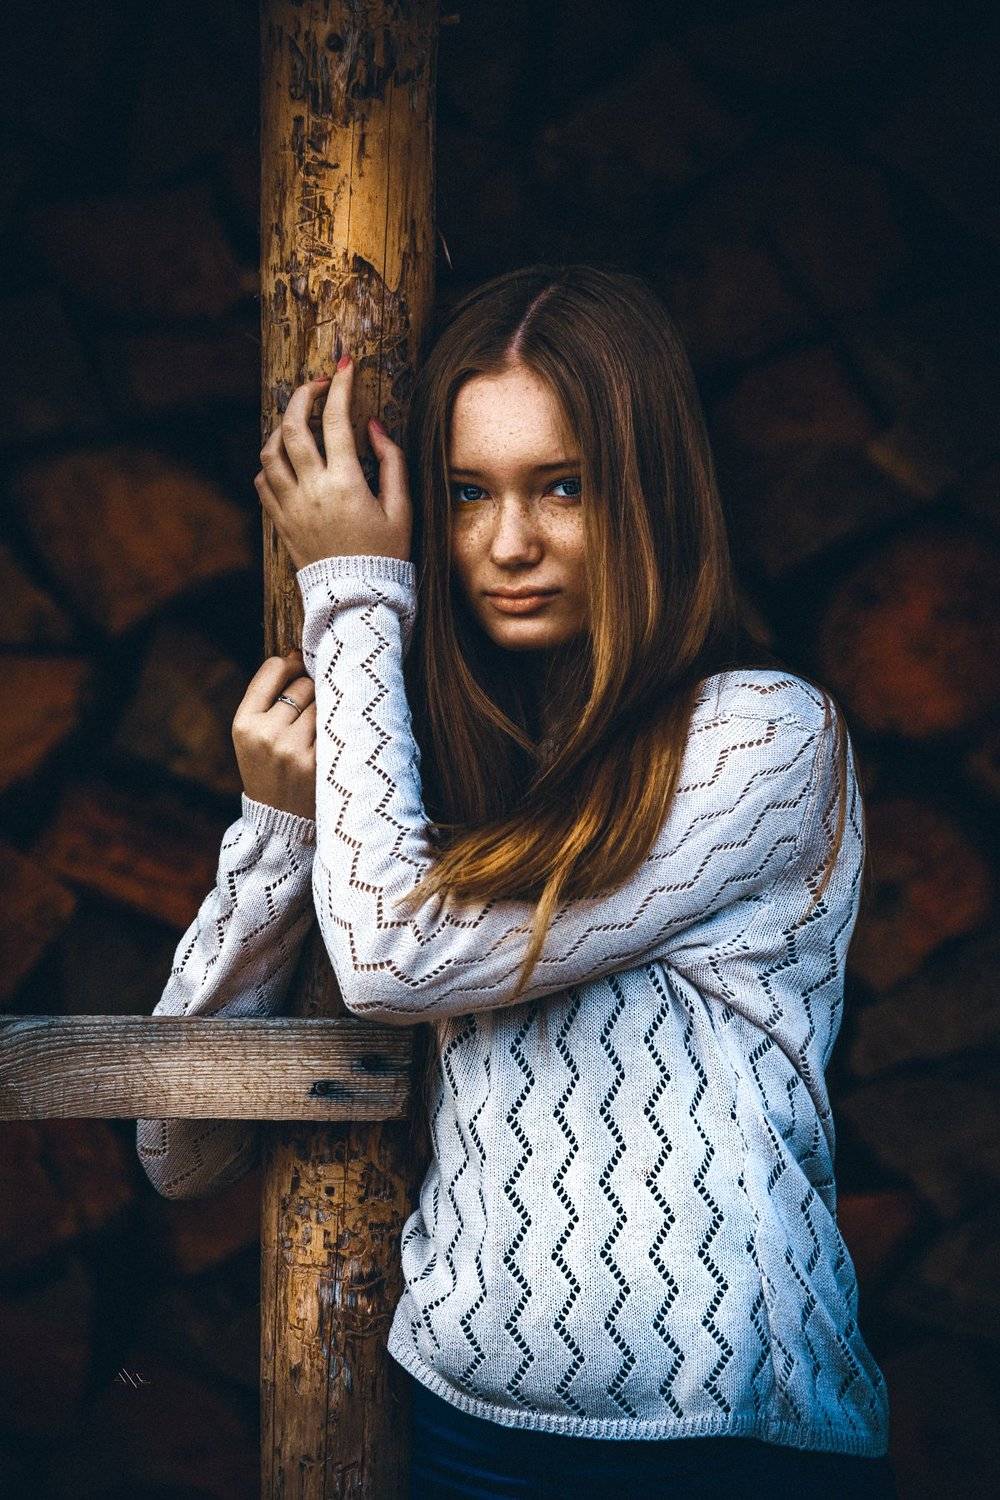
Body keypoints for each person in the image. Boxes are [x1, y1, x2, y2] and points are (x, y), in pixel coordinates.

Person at [137, 264, 898, 1497]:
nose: (507, 544)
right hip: (462, 1440)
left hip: (720, 1446)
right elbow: (178, 1150)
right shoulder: (413, 782)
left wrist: (351, 589)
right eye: (464, 494)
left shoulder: (763, 737)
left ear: (648, 494)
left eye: (562, 486)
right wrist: (279, 830)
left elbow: (393, 962)